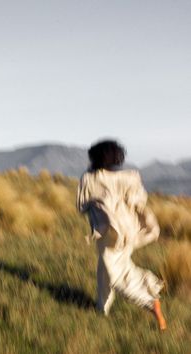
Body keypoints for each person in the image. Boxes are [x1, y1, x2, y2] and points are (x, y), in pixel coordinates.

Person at [76, 139, 166, 330]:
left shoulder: (90, 177)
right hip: (129, 229)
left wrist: (99, 208)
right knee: (105, 269)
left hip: (110, 232)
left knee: (117, 274)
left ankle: (151, 300)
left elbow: (82, 204)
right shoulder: (130, 176)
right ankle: (102, 308)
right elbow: (140, 199)